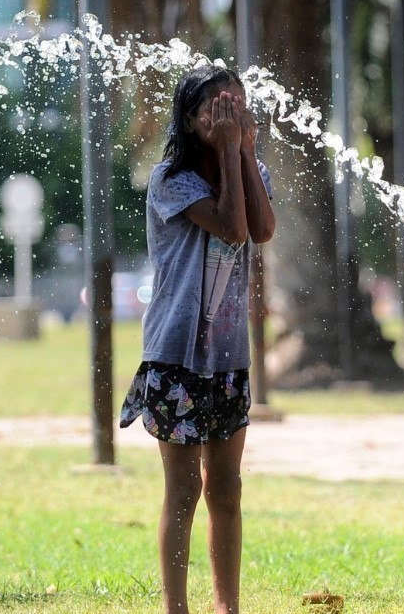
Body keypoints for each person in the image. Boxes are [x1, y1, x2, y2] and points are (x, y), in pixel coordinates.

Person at [119, 62, 275, 614]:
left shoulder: (248, 166)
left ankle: (228, 607)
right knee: (183, 492)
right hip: (176, 355)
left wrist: (243, 153)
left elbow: (261, 229)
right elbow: (230, 226)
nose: (230, 114)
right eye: (217, 107)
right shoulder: (171, 180)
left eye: (238, 104)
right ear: (190, 120)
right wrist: (233, 154)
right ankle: (176, 608)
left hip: (229, 358)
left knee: (226, 490)